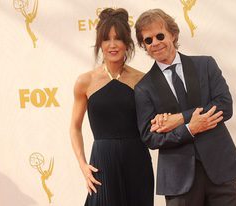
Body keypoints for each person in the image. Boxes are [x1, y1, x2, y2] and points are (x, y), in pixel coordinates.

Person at [134, 9, 236, 206]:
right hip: (179, 179)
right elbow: (150, 137)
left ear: (173, 34)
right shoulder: (144, 87)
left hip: (220, 170)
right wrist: (189, 129)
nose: (155, 43)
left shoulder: (205, 64)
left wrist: (179, 119)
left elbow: (225, 106)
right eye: (148, 40)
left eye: (160, 36)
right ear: (144, 45)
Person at [69, 8, 154, 206]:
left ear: (128, 44)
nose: (113, 45)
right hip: (102, 163)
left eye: (119, 39)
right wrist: (83, 165)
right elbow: (74, 127)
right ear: (100, 43)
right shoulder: (85, 81)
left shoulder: (143, 81)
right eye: (107, 39)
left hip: (137, 161)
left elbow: (154, 123)